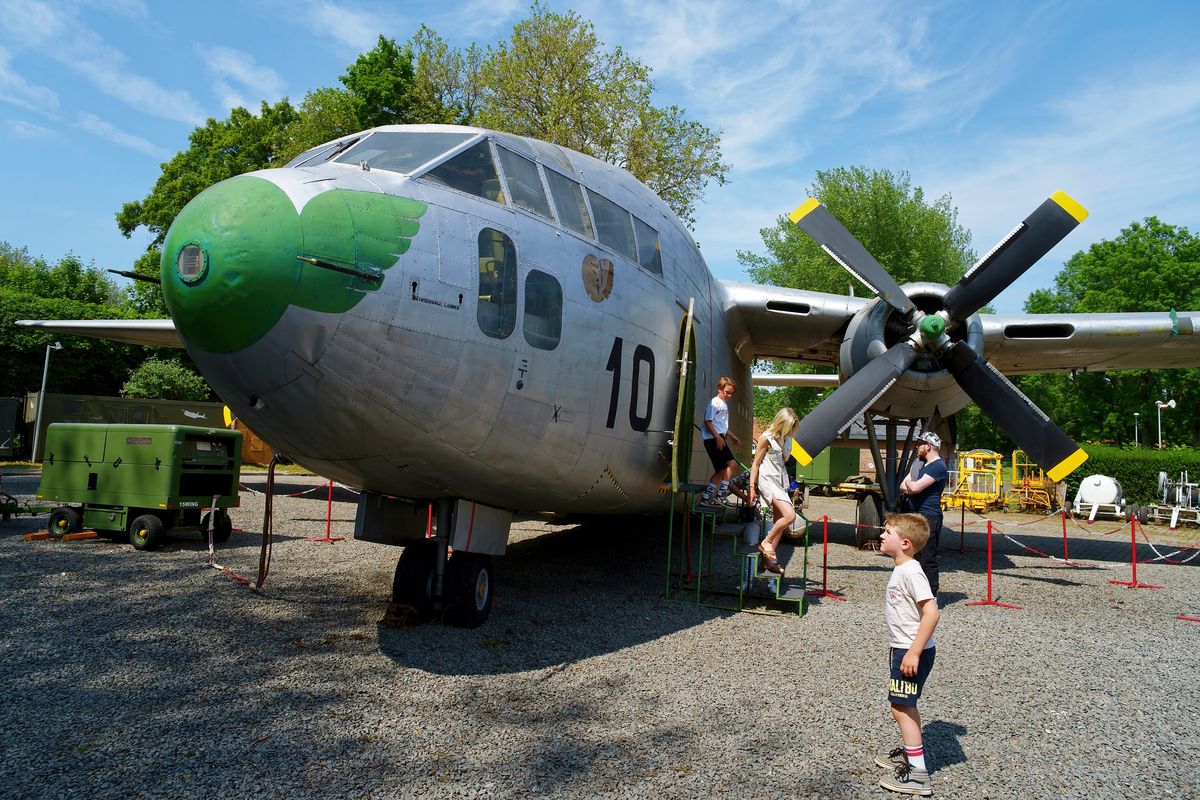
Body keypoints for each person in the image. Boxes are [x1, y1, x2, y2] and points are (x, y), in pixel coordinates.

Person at [876, 512, 940, 796]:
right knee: (904, 705)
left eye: (887, 532)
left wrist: (912, 653)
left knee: (901, 707)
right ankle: (912, 756)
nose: (881, 535)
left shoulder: (912, 572)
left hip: (910, 651)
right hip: (903, 648)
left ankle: (918, 775)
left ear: (904, 543)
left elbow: (931, 612)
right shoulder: (902, 568)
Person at [748, 407, 799, 575]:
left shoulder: (788, 439)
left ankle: (767, 563)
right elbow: (755, 464)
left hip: (780, 480)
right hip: (767, 480)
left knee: (780, 522)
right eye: (789, 426)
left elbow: (784, 462)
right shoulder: (766, 438)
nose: (791, 431)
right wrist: (751, 487)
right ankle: (766, 542)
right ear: (781, 423)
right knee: (790, 516)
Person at [898, 430, 947, 597]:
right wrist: (911, 486)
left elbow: (915, 487)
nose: (917, 447)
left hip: (929, 518)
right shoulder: (919, 465)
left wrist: (912, 486)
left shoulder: (938, 466)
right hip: (915, 515)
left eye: (920, 444)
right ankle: (915, 592)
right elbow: (903, 486)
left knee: (927, 558)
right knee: (913, 555)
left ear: (929, 446)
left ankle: (930, 596)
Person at [699, 377, 741, 506]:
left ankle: (706, 497)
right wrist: (717, 437)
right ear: (720, 389)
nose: (729, 395)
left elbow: (721, 425)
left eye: (731, 393)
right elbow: (708, 421)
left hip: (718, 437)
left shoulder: (723, 403)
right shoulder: (715, 402)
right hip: (713, 439)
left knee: (721, 470)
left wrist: (732, 435)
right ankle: (721, 494)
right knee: (732, 464)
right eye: (727, 392)